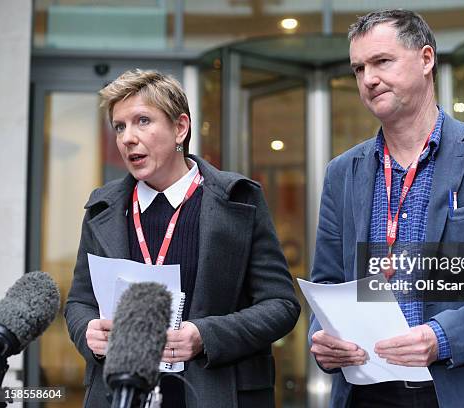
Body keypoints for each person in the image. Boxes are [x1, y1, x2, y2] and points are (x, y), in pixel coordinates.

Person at [308, 9, 464, 408]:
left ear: (426, 59)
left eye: (382, 62)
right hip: (369, 393)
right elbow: (328, 284)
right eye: (358, 68)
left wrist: (441, 338)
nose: (369, 79)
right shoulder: (342, 173)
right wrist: (323, 338)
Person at [65, 69, 300, 408]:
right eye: (120, 126)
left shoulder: (240, 200)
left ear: (180, 127)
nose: (128, 137)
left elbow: (281, 305)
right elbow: (79, 303)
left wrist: (205, 336)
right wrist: (88, 331)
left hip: (215, 392)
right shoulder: (103, 207)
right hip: (120, 392)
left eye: (142, 121)